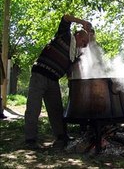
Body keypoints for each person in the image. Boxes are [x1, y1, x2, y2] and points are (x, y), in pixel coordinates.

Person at [24, 14, 92, 149]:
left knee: (56, 110)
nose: (84, 46)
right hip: (39, 75)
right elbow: (66, 17)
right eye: (84, 42)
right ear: (78, 36)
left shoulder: (74, 55)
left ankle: (61, 137)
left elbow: (71, 72)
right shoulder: (64, 35)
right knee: (33, 108)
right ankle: (30, 140)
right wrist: (82, 22)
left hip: (53, 80)